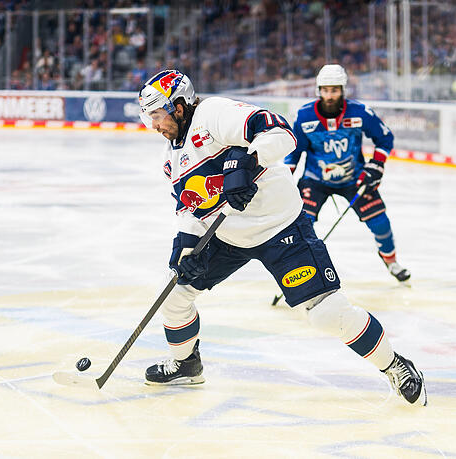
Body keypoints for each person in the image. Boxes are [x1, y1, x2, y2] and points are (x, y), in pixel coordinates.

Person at [137, 69, 427, 406]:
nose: (154, 126)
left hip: (281, 227)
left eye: (157, 116)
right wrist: (184, 249)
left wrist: (248, 162)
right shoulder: (171, 158)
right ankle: (187, 364)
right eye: (149, 119)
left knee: (325, 312)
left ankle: (395, 366)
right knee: (175, 294)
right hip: (228, 236)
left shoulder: (213, 115)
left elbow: (280, 132)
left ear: (180, 106)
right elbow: (190, 210)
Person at [284, 64, 411, 282]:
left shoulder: (360, 112)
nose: (329, 95)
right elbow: (294, 153)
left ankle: (391, 261)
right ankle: (302, 270)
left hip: (354, 178)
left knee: (380, 222)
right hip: (315, 179)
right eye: (325, 90)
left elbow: (385, 138)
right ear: (319, 90)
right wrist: (285, 179)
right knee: (303, 225)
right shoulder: (305, 116)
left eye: (334, 90)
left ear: (343, 90)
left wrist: (376, 166)